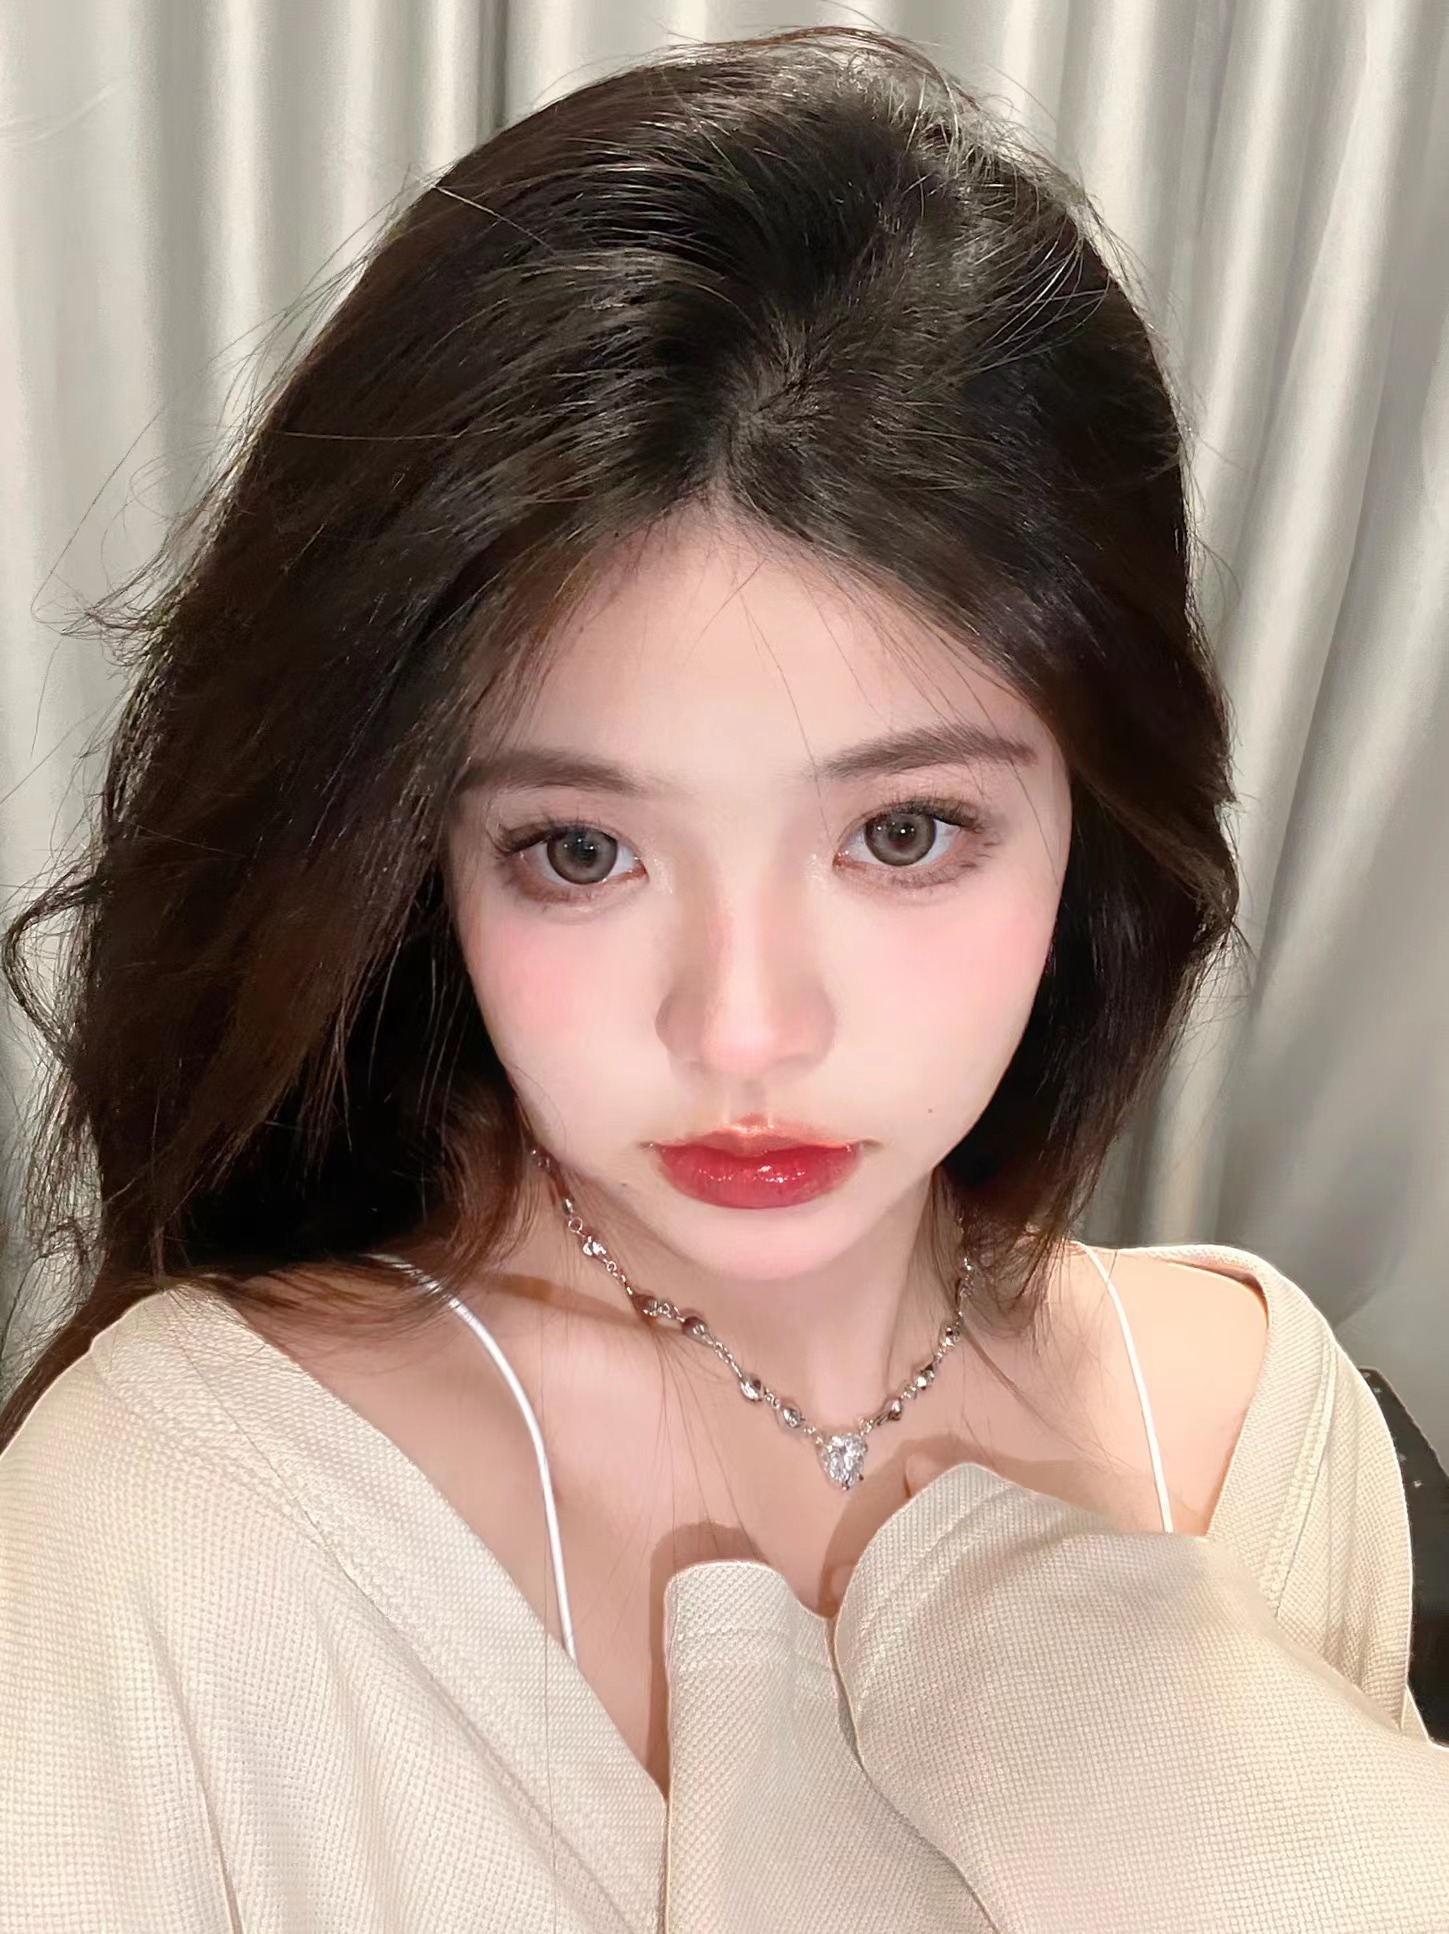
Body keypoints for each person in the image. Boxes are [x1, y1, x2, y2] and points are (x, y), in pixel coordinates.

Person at [0, 23, 1444, 1933]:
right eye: (580, 851)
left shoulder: (1273, 1432)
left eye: (903, 831)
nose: (744, 1025)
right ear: (420, 857)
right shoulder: (174, 1533)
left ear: (1099, 817)